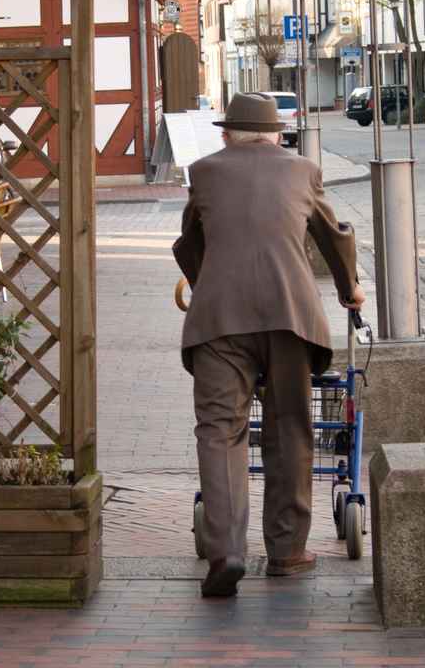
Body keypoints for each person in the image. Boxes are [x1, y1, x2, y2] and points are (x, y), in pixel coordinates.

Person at [173, 92, 365, 598]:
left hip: (219, 323)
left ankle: (227, 553)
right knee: (289, 429)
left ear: (226, 134)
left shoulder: (204, 172)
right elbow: (333, 233)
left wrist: (204, 282)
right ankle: (286, 553)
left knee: (219, 432)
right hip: (290, 318)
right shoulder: (302, 170)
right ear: (278, 134)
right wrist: (350, 289)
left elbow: (189, 242)